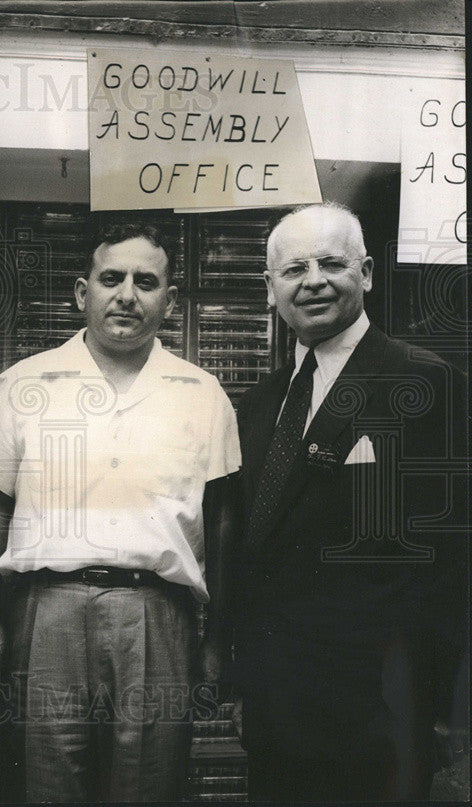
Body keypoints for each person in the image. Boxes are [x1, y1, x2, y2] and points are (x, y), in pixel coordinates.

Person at [0, 222, 241, 802]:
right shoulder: (23, 384)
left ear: (169, 301)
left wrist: (215, 638)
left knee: (147, 786)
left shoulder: (202, 392)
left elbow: (221, 521)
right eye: (111, 279)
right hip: (46, 612)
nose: (127, 294)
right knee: (44, 784)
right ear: (82, 292)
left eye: (145, 282)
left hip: (158, 613)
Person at [232, 202, 468, 800]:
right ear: (270, 289)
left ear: (366, 273)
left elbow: (455, 560)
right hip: (274, 711)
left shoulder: (425, 383)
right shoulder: (258, 405)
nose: (313, 280)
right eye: (294, 269)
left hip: (382, 715)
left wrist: (446, 709)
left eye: (332, 263)